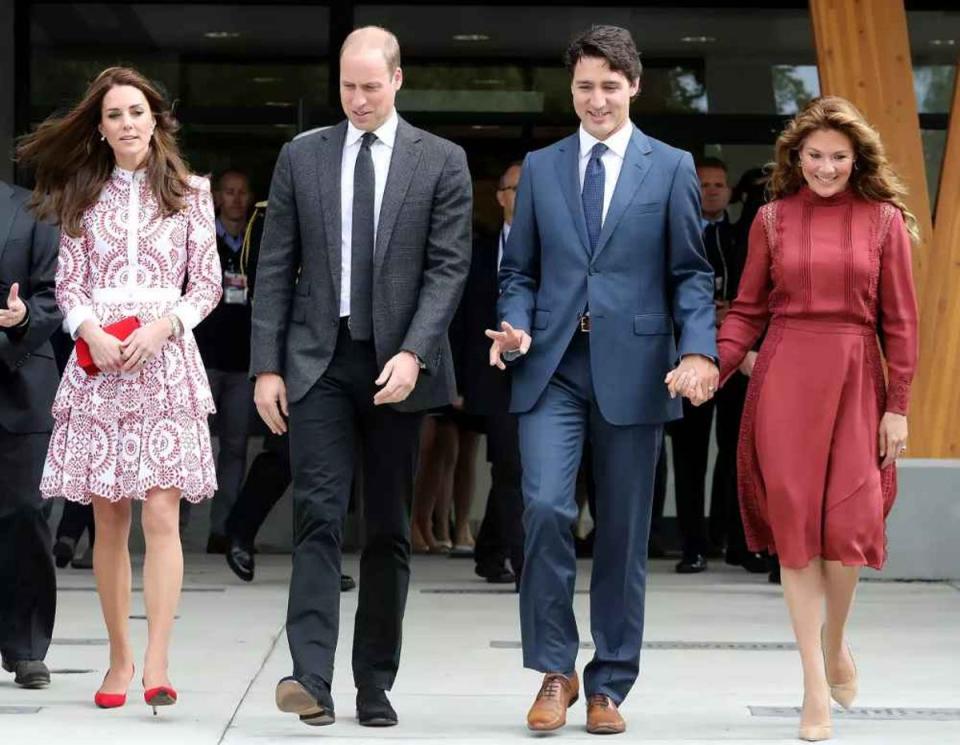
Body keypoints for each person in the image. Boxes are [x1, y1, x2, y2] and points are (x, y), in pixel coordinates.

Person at [488, 26, 718, 735]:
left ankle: (608, 684)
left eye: (609, 87)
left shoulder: (672, 166)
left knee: (621, 532)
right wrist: (516, 321)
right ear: (573, 88)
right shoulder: (543, 166)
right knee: (548, 510)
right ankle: (555, 671)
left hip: (637, 369)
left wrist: (700, 352)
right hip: (552, 365)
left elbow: (690, 273)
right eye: (585, 86)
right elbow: (519, 269)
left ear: (634, 87)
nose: (596, 100)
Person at [250, 26, 471, 728]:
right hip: (319, 358)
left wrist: (415, 351)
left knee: (387, 528)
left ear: (397, 80)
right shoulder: (302, 156)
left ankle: (373, 680)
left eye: (371, 86)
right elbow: (274, 267)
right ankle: (309, 675)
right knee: (316, 512)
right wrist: (267, 366)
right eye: (347, 86)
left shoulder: (442, 161)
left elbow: (447, 269)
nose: (358, 99)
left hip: (397, 365)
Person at [682, 96, 919, 741]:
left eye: (838, 157)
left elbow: (900, 322)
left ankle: (837, 641)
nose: (825, 168)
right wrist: (714, 365)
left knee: (849, 524)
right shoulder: (771, 220)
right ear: (796, 157)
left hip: (856, 381)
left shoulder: (884, 222)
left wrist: (897, 406)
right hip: (786, 376)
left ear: (857, 158)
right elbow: (748, 310)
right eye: (814, 156)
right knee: (795, 528)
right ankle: (814, 682)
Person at [20, 66, 222, 712]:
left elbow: (208, 285)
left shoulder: (192, 193)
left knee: (163, 514)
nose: (127, 123)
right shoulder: (81, 195)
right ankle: (118, 656)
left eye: (136, 111)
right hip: (101, 364)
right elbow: (69, 286)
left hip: (163, 361)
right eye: (114, 115)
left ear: (155, 119)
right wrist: (91, 331)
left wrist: (167, 325)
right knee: (109, 517)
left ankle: (157, 658)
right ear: (101, 128)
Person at [671, 157, 766, 574]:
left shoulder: (743, 232)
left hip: (736, 354)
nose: (711, 190)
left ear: (729, 191)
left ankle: (731, 539)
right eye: (704, 184)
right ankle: (692, 544)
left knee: (734, 450)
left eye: (718, 184)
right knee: (689, 453)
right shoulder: (677, 230)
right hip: (689, 353)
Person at [0, 179, 61, 690]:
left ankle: (26, 647)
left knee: (27, 512)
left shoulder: (32, 209)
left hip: (20, 382)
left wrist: (21, 320)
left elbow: (55, 295)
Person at [458, 161, 525, 584]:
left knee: (517, 467)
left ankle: (491, 551)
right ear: (500, 196)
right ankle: (520, 562)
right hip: (492, 374)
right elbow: (462, 323)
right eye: (516, 188)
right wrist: (460, 382)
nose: (524, 195)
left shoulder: (556, 247)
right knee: (511, 465)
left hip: (540, 372)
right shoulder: (476, 254)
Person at [189, 169, 257, 553]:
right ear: (216, 197)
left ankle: (223, 529)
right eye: (228, 192)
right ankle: (176, 528)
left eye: (241, 192)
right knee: (187, 443)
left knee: (234, 448)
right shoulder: (202, 237)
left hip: (242, 360)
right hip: (202, 357)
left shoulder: (255, 240)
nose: (235, 199)